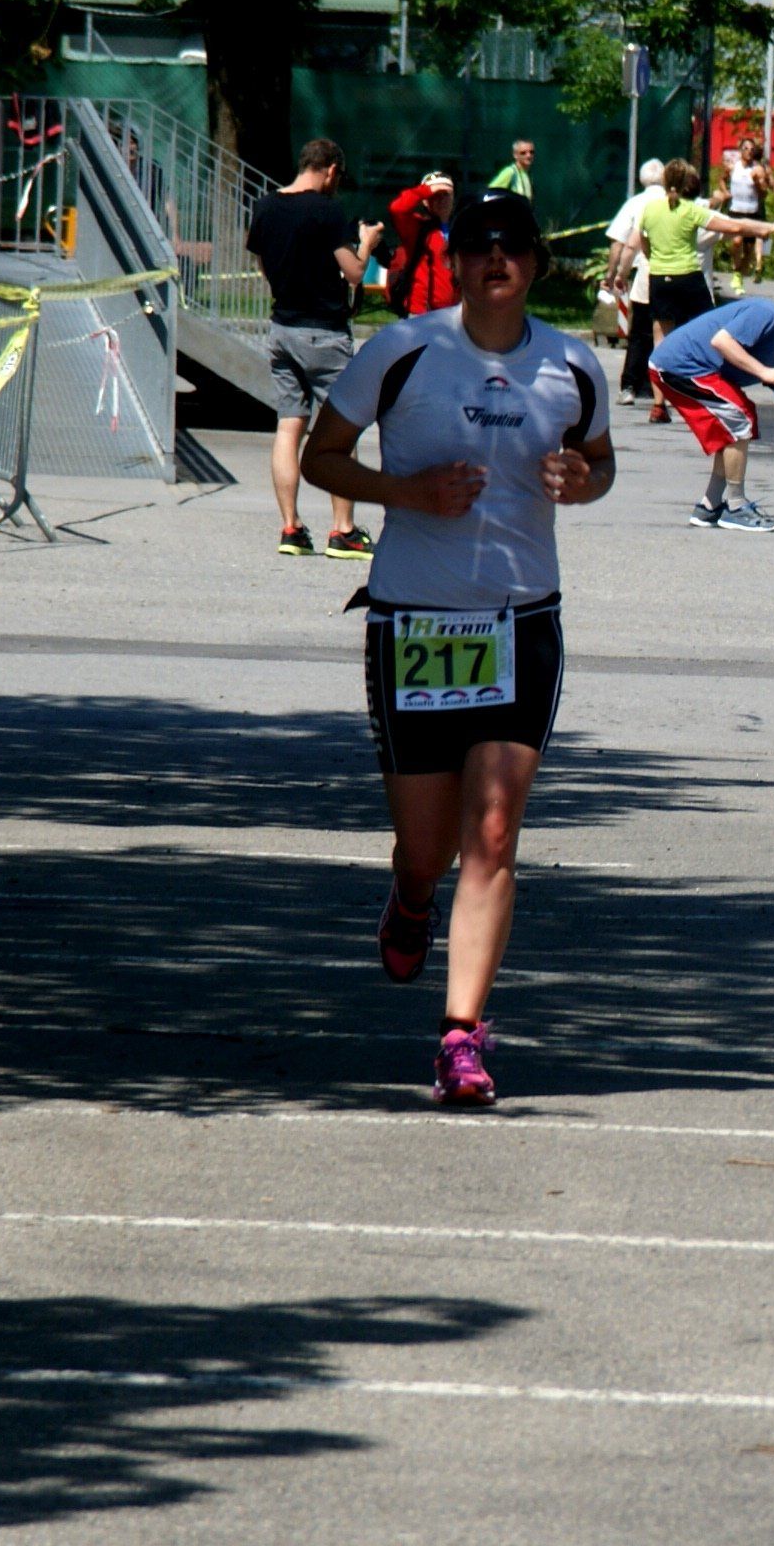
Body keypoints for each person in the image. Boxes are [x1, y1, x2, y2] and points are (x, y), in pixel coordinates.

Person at [298, 190, 613, 1107]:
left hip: (522, 623)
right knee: (427, 849)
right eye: (477, 245)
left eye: (513, 245)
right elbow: (321, 455)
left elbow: (599, 462)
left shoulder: (572, 362)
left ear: (536, 263)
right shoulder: (403, 350)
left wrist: (580, 479)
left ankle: (461, 1038)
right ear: (455, 259)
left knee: (493, 832)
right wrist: (406, 491)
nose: (495, 259)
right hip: (417, 625)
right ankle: (409, 898)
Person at [250, 137, 383, 559]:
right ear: (330, 170)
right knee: (340, 429)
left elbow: (263, 265)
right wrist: (367, 242)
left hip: (282, 328)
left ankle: (291, 527)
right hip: (325, 332)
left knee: (289, 426)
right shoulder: (328, 211)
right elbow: (355, 273)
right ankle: (343, 530)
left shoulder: (265, 207)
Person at [649, 296, 774, 533]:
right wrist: (763, 371)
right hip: (677, 364)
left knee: (733, 422)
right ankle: (736, 506)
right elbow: (721, 341)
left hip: (693, 370)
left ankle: (709, 506)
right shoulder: (767, 315)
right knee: (740, 418)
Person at [640, 159, 774, 421]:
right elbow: (734, 226)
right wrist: (766, 228)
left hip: (659, 278)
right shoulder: (690, 210)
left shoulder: (650, 209)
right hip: (688, 277)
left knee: (660, 338)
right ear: (686, 184)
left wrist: (657, 261)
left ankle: (659, 405)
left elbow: (644, 243)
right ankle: (714, 390)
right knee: (711, 333)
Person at [602, 158, 668, 407]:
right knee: (667, 332)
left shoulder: (635, 203)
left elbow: (620, 242)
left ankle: (630, 385)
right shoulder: (676, 202)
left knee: (639, 332)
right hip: (677, 274)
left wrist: (613, 275)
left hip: (645, 274)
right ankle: (661, 387)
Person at [384, 172, 459, 317]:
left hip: (454, 314)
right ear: (426, 201)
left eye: (446, 194)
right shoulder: (417, 227)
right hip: (421, 313)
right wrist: (426, 190)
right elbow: (397, 209)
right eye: (435, 196)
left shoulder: (461, 229)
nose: (441, 200)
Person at [722, 141, 771, 284]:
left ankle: (740, 272)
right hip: (736, 210)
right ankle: (736, 271)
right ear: (740, 150)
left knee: (749, 249)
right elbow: (722, 180)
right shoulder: (733, 167)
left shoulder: (758, 170)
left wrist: (757, 183)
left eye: (752, 149)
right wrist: (726, 192)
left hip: (751, 211)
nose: (749, 151)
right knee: (737, 241)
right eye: (746, 148)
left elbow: (764, 194)